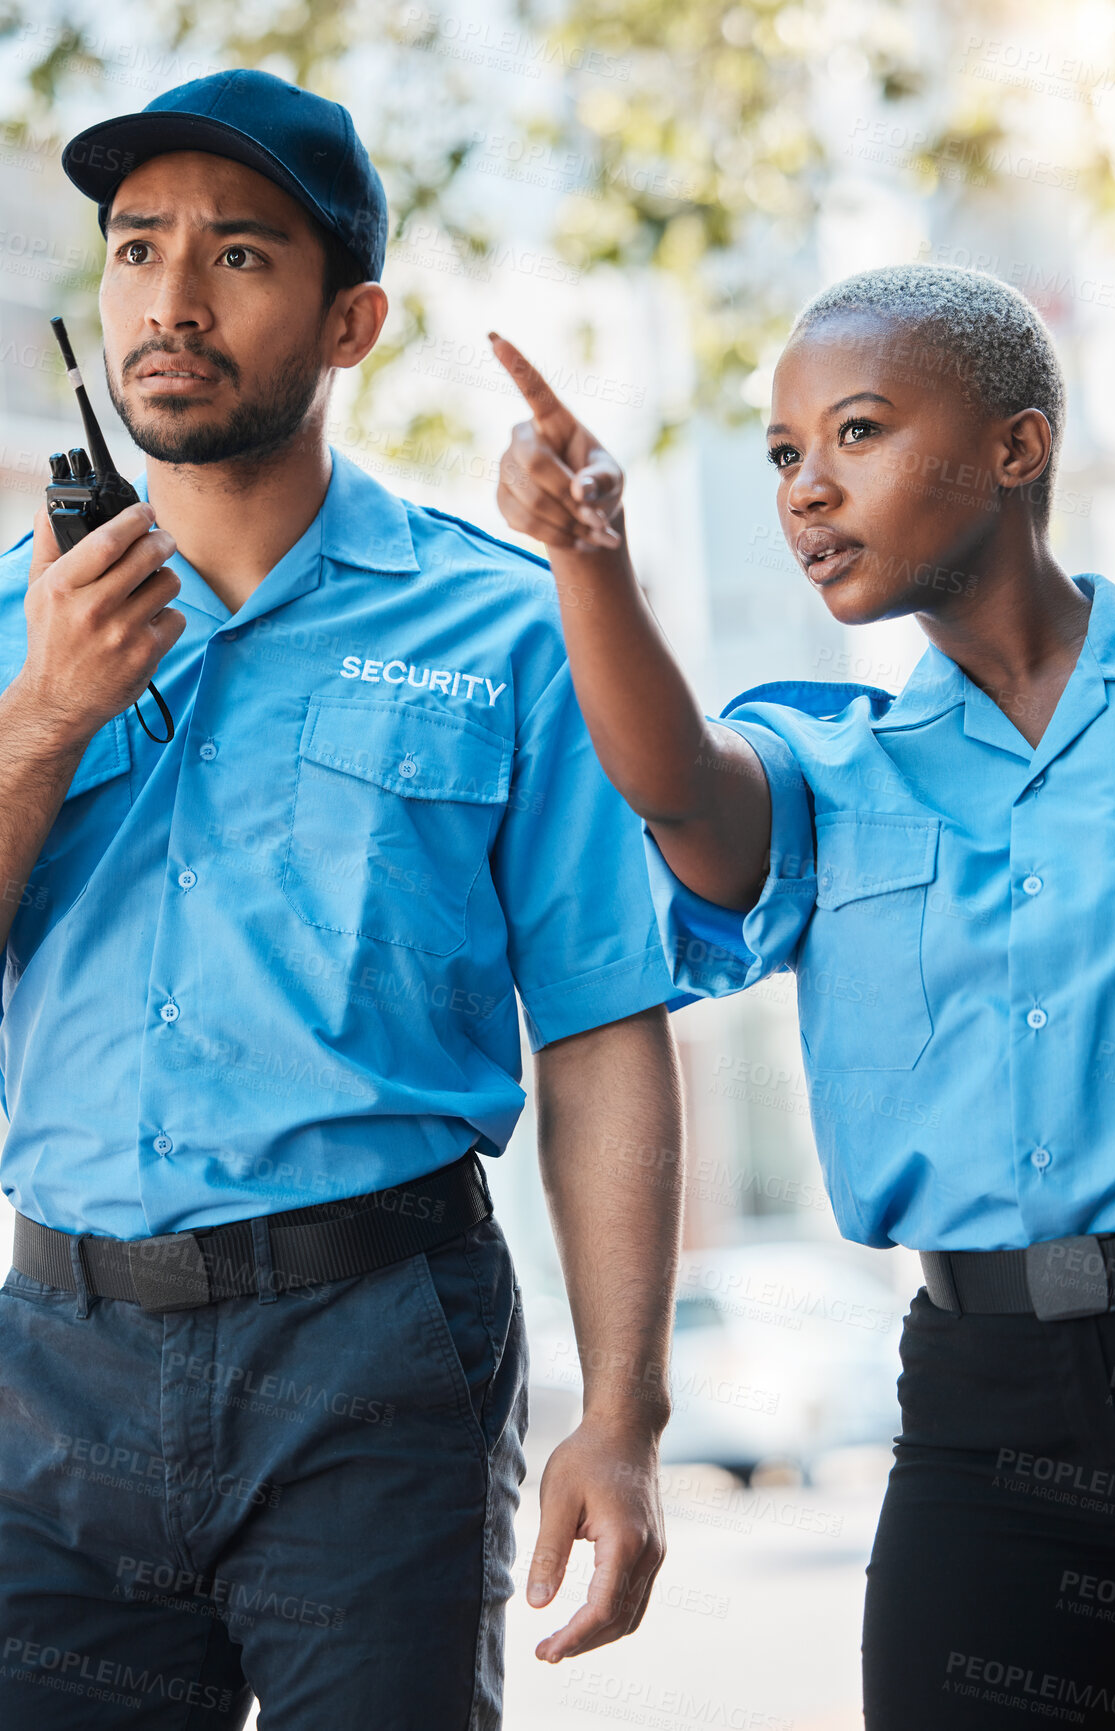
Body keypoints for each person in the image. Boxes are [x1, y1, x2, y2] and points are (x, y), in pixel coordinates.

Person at [0, 68, 683, 1731]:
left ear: (351, 321)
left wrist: (628, 1416)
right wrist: (48, 713)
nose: (170, 297)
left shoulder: (511, 627)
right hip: (57, 1364)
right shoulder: (19, 625)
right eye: (137, 247)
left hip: (378, 1359)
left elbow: (601, 1032)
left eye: (238, 256)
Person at [490, 263, 1115, 1727]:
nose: (805, 490)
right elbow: (674, 786)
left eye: (856, 433)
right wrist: (589, 557)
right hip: (985, 1417)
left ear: (1015, 448)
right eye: (785, 455)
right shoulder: (828, 769)